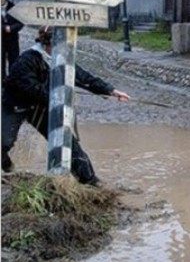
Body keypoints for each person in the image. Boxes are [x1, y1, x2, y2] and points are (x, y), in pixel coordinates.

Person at [1, 26, 131, 186]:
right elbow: (30, 89)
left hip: (44, 107)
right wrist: (60, 97)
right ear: (48, 43)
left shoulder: (62, 59)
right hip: (16, 105)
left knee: (67, 143)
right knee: (4, 141)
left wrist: (110, 90)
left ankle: (90, 181)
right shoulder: (27, 60)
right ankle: (6, 164)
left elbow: (82, 77)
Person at [1, 0, 24, 82]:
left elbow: (21, 22)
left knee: (14, 60)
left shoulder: (13, 7)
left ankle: (13, 80)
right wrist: (3, 28)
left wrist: (12, 28)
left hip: (12, 39)